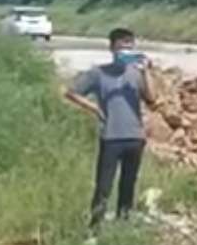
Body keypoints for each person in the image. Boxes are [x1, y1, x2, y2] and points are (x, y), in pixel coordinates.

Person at [65, 26, 153, 227]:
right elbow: (71, 92)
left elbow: (152, 98)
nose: (126, 51)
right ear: (112, 48)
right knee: (103, 185)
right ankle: (95, 227)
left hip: (135, 137)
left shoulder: (136, 74)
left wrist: (147, 72)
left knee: (128, 184)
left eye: (130, 47)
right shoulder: (98, 73)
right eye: (122, 47)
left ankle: (123, 223)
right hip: (111, 137)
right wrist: (94, 108)